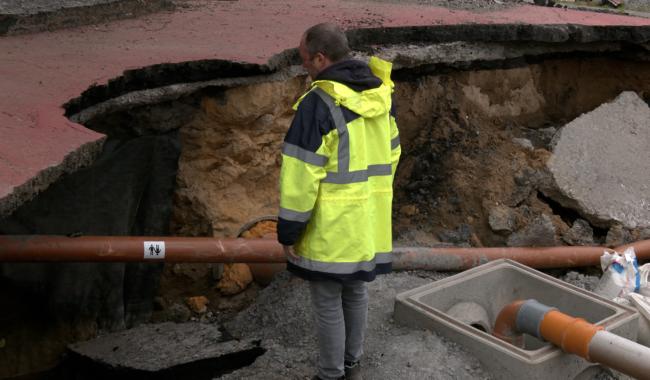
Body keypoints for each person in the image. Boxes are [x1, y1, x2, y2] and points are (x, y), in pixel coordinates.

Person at [277, 22, 400, 380]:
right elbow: (392, 154)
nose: (303, 67)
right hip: (367, 222)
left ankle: (330, 374)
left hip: (332, 226)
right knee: (355, 290)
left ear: (320, 57)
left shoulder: (318, 104)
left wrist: (289, 231)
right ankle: (351, 364)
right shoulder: (380, 96)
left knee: (328, 299)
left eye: (304, 60)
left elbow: (300, 177)